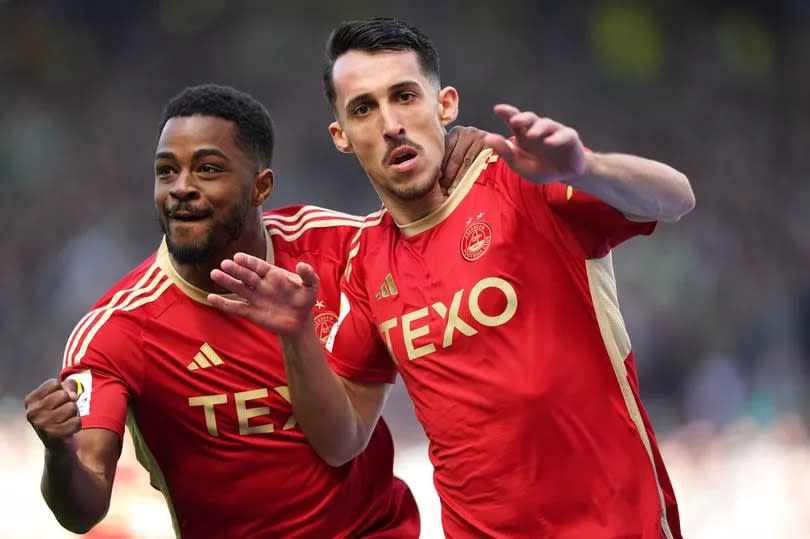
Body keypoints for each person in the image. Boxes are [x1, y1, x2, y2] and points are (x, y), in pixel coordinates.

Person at [209, 18, 697, 539]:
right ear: (342, 137)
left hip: (621, 526)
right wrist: (297, 335)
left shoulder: (524, 182)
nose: (391, 122)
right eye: (364, 108)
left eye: (404, 96)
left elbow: (676, 197)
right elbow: (341, 439)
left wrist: (583, 166)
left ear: (444, 105)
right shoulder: (365, 261)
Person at [22, 83, 487, 537]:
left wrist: (465, 157)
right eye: (167, 171)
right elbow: (82, 510)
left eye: (207, 169)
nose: (181, 188)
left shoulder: (340, 248)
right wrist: (59, 452)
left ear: (260, 187)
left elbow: (446, 234)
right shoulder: (118, 330)